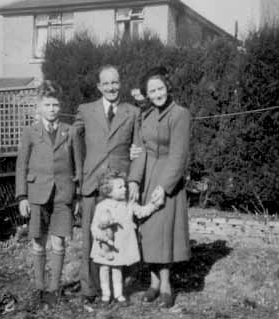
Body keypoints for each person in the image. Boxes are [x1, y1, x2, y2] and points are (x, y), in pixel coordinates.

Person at [74, 65, 144, 303]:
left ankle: (118, 288)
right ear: (99, 86)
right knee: (90, 237)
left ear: (120, 83)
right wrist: (79, 175)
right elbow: (73, 140)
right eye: (106, 83)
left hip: (119, 188)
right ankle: (89, 289)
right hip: (92, 183)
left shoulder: (132, 112)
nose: (111, 87)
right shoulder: (85, 110)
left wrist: (133, 180)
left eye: (115, 83)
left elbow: (139, 149)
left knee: (120, 236)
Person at [15, 80, 82, 308]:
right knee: (38, 241)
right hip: (37, 194)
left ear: (60, 106)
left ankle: (54, 289)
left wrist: (78, 196)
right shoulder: (30, 132)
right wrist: (22, 196)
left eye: (55, 104)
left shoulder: (70, 132)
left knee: (59, 241)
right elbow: (21, 165)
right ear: (39, 106)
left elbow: (78, 166)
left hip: (63, 194)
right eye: (48, 104)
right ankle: (39, 288)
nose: (52, 109)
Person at [134, 66, 192, 308]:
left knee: (164, 232)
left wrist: (165, 186)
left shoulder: (180, 114)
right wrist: (134, 181)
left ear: (167, 88)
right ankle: (154, 282)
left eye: (160, 88)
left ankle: (166, 285)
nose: (157, 93)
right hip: (147, 176)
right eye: (152, 90)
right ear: (147, 94)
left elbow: (179, 155)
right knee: (148, 232)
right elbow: (139, 152)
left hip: (168, 179)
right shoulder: (144, 116)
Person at [90, 169, 160, 305]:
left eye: (124, 186)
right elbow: (94, 226)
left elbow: (141, 212)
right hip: (104, 245)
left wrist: (154, 205)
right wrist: (100, 236)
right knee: (104, 269)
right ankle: (105, 295)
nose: (124, 189)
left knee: (117, 269)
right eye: (120, 187)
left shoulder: (129, 204)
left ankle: (118, 294)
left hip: (119, 246)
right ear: (108, 191)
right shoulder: (101, 206)